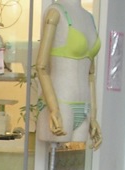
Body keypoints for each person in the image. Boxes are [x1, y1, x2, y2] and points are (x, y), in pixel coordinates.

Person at [34, 0, 101, 148]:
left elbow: (91, 74)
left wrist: (93, 115)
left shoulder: (89, 18)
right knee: (52, 158)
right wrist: (54, 109)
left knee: (73, 159)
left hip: (84, 107)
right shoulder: (55, 13)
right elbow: (41, 67)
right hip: (61, 102)